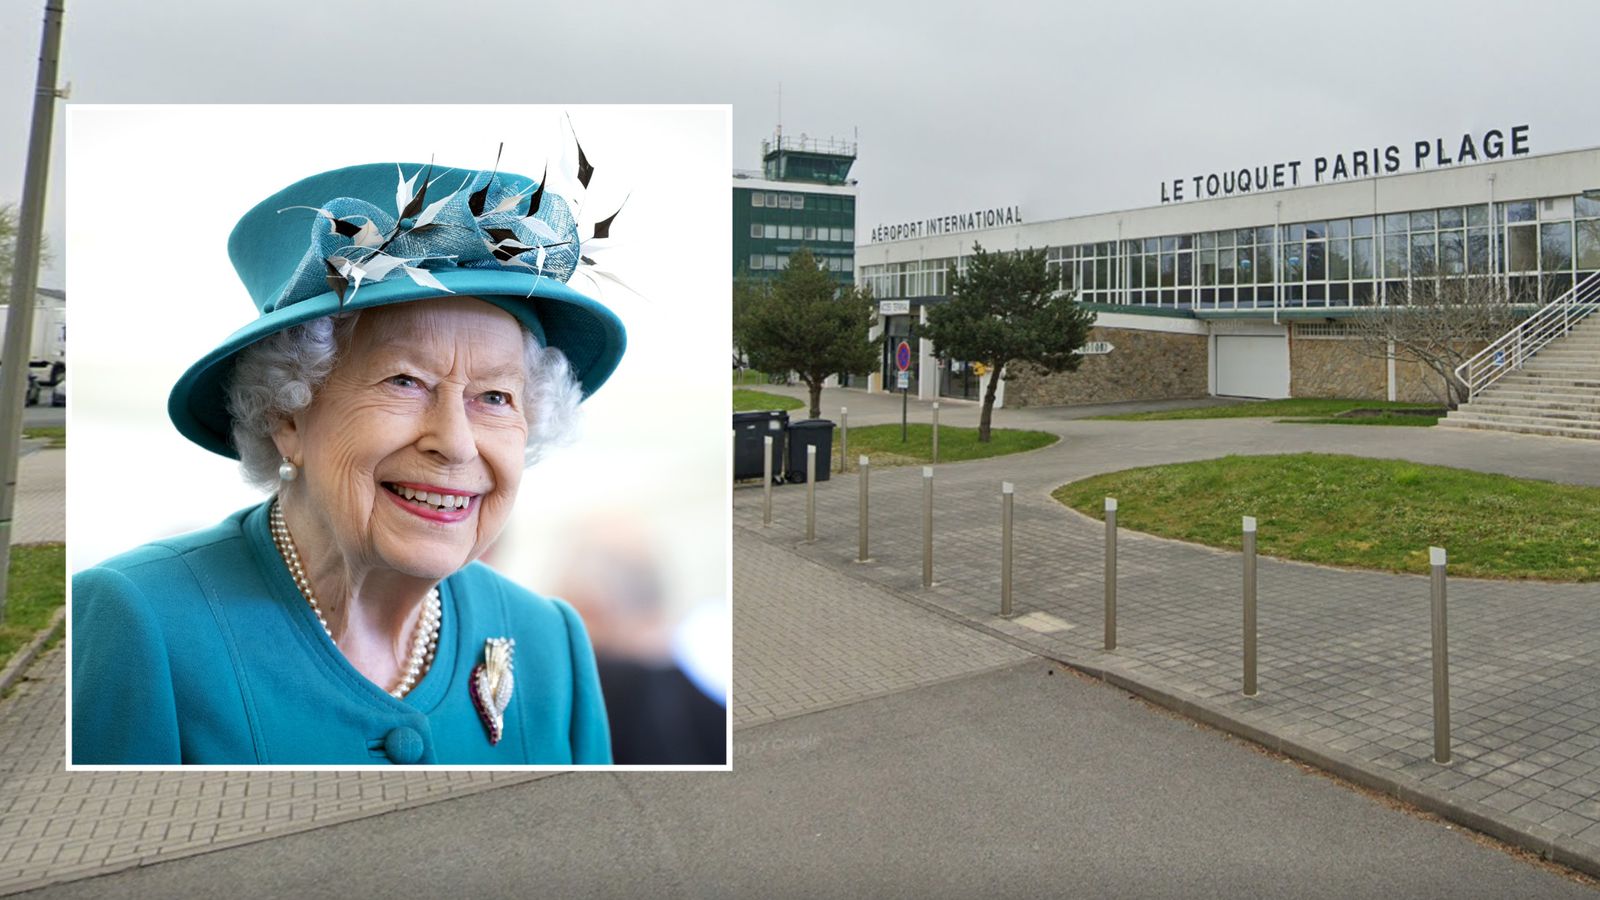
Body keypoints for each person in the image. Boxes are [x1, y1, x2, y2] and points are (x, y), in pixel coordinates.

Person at [72, 153, 629, 765]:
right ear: (286, 415)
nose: (457, 442)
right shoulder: (139, 623)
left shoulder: (551, 642)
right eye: (404, 381)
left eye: (494, 396)